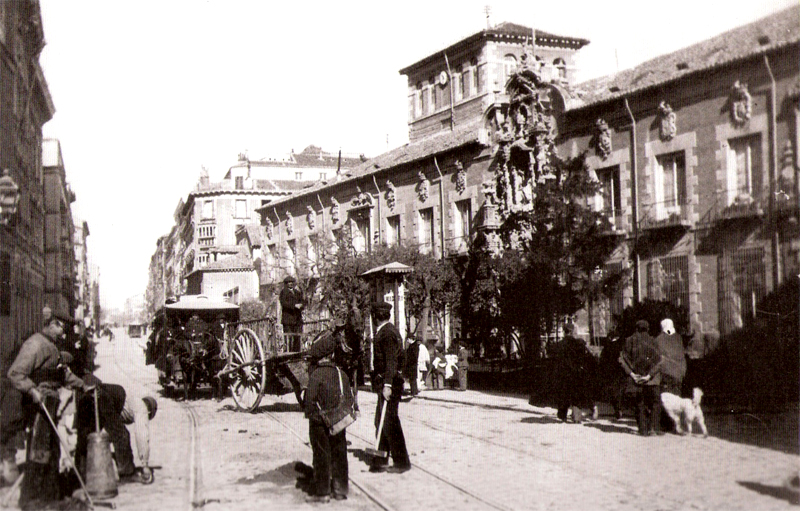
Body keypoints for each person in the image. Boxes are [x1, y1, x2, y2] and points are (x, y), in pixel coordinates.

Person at [7, 316, 92, 509]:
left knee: (52, 450)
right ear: (51, 325)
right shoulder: (35, 345)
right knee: (40, 450)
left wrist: (83, 385)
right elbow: (15, 373)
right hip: (38, 405)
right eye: (61, 327)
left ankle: (50, 496)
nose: (64, 332)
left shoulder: (52, 345)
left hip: (50, 403)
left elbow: (62, 374)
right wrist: (32, 390)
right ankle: (32, 499)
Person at [303, 326, 355, 503]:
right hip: (338, 422)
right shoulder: (342, 374)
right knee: (340, 453)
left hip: (319, 423)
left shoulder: (316, 375)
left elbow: (308, 401)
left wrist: (314, 416)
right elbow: (349, 399)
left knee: (321, 455)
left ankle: (323, 492)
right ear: (331, 355)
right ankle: (340, 490)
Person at [75, 375, 157, 484]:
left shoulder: (129, 399)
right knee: (122, 435)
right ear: (149, 411)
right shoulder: (141, 407)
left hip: (88, 394)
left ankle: (80, 474)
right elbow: (142, 435)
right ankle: (127, 474)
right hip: (101, 396)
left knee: (88, 436)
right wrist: (145, 464)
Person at [369, 301, 411, 473]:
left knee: (390, 422)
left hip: (390, 384)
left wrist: (387, 384)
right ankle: (380, 459)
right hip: (388, 382)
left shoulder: (387, 334)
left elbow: (392, 361)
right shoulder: (388, 331)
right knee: (382, 420)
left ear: (375, 317)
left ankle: (401, 462)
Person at [619, 320, 663, 436]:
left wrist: (632, 374)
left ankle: (642, 429)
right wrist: (649, 375)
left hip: (636, 378)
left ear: (636, 328)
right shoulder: (653, 341)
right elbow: (659, 361)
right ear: (648, 329)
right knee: (655, 403)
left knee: (639, 403)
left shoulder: (629, 341)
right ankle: (653, 428)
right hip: (651, 379)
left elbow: (622, 360)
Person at [556, 324, 594, 423]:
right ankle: (577, 417)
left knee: (563, 394)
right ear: (572, 331)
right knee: (576, 395)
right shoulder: (578, 343)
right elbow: (585, 358)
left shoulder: (559, 345)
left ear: (564, 332)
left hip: (563, 373)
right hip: (576, 373)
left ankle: (562, 415)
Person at [655, 318, 686, 396]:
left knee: (667, 395)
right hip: (679, 371)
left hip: (666, 371)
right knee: (677, 394)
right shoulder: (678, 337)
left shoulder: (659, 339)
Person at [280, 276, 305, 352]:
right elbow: (284, 303)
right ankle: (289, 353)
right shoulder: (283, 292)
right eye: (288, 282)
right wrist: (294, 306)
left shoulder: (297, 292)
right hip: (288, 319)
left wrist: (301, 305)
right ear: (286, 284)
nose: (290, 284)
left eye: (292, 282)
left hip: (297, 319)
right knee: (289, 338)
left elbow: (303, 301)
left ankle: (297, 353)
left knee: (298, 337)